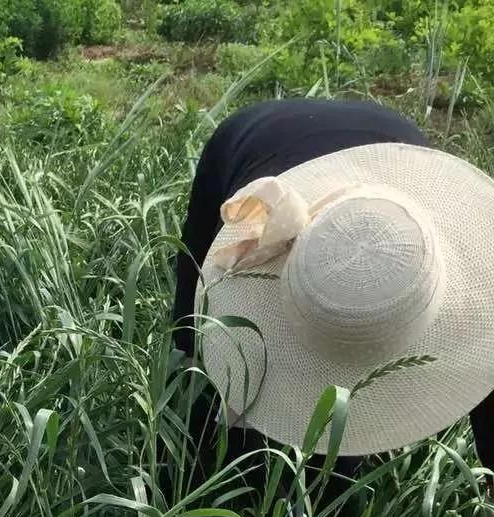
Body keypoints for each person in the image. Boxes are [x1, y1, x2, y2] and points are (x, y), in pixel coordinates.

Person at [172, 98, 494, 485]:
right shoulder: (256, 251)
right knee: (195, 324)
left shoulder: (476, 293)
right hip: (248, 139)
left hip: (396, 151)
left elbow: (486, 377)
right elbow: (207, 310)